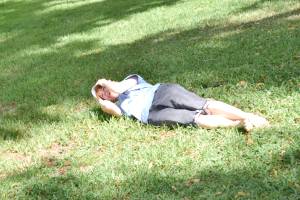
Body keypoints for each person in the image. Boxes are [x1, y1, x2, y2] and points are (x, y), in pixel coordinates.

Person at [91, 74, 269, 131]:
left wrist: (105, 83)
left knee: (204, 105)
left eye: (104, 89)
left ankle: (249, 116)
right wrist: (103, 104)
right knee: (195, 119)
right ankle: (239, 124)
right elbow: (115, 113)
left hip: (162, 93)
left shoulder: (130, 79)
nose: (106, 93)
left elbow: (120, 88)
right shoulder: (119, 106)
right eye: (102, 95)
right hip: (152, 115)